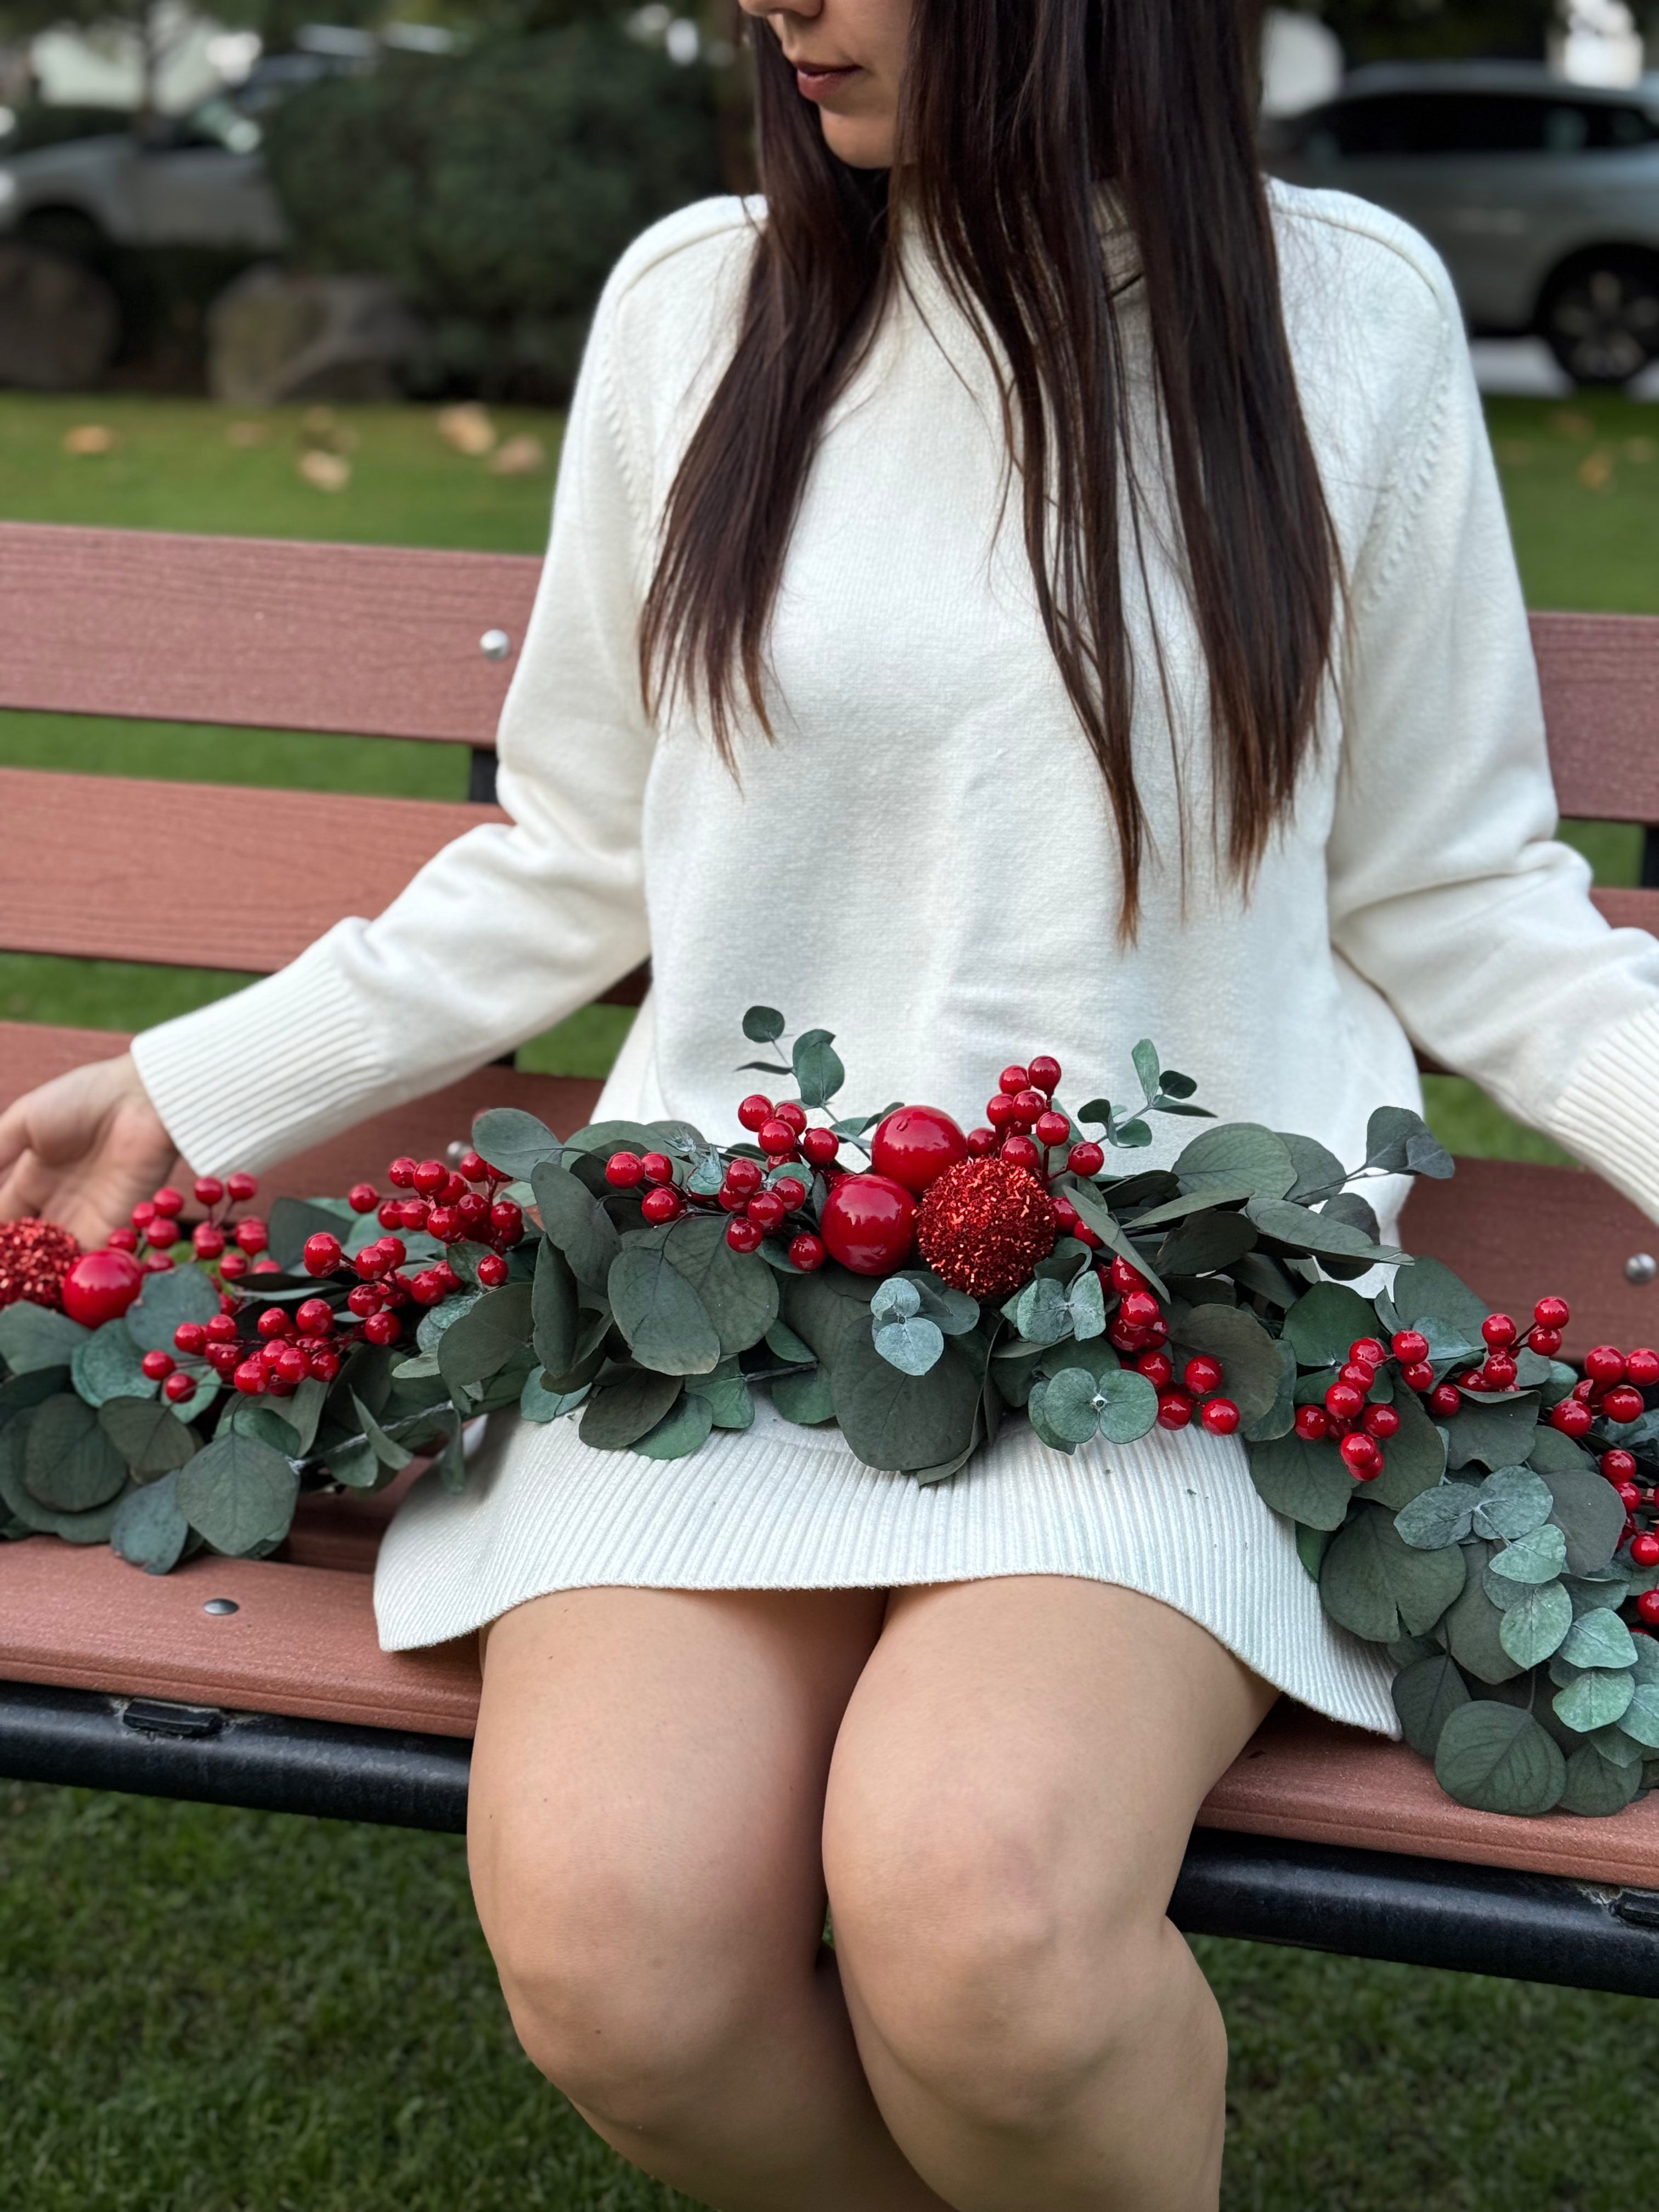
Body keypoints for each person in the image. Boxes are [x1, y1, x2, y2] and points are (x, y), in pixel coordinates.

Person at [5, 0, 1659, 2203]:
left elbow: (1459, 891)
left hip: (1165, 1324)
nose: (780, 1)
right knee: (620, 1960)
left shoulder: (1339, 313)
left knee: (981, 1926)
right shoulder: (705, 301)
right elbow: (579, 852)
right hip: (705, 1297)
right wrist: (193, 1091)